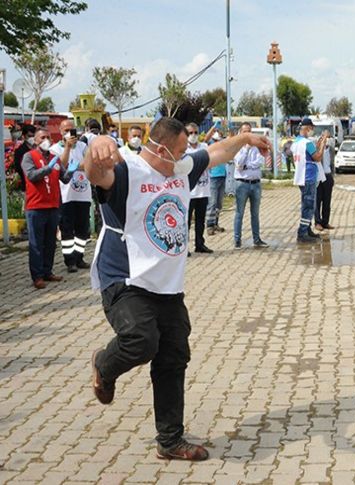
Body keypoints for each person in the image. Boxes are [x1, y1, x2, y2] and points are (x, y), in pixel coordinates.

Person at [83, 117, 272, 461]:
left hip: (167, 287)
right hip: (126, 279)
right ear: (160, 148)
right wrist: (94, 152)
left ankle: (170, 441)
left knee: (173, 357)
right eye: (182, 149)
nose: (188, 156)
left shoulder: (180, 167)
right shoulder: (129, 171)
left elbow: (215, 153)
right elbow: (97, 175)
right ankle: (104, 365)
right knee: (141, 339)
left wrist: (245, 138)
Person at [21, 128, 69, 289]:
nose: (46, 140)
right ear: (35, 141)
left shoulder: (55, 158)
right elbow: (32, 176)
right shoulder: (29, 157)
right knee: (36, 243)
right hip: (36, 206)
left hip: (53, 205)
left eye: (48, 137)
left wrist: (72, 171)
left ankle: (47, 271)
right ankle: (37, 276)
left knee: (50, 242)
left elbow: (64, 178)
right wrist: (48, 168)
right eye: (42, 138)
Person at [50, 119, 92, 272]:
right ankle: (70, 261)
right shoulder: (55, 149)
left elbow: (89, 163)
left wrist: (73, 167)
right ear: (60, 132)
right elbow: (61, 165)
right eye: (65, 130)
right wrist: (67, 148)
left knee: (82, 229)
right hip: (66, 194)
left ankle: (79, 257)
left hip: (83, 195)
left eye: (71, 129)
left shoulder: (82, 146)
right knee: (67, 229)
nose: (69, 132)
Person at [292, 118, 329, 243]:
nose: (312, 131)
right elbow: (317, 158)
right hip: (308, 177)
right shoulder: (307, 143)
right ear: (307, 128)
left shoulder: (296, 143)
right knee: (308, 206)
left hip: (301, 177)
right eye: (312, 128)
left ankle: (307, 230)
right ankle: (302, 233)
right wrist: (323, 143)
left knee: (305, 205)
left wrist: (317, 146)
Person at [232, 123, 267, 249]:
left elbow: (260, 162)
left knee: (255, 213)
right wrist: (246, 149)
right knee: (239, 213)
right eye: (245, 131)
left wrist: (249, 165)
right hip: (242, 184)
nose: (248, 134)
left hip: (256, 184)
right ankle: (237, 240)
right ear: (240, 133)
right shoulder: (237, 147)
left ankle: (256, 239)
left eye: (249, 131)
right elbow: (239, 164)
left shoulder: (256, 147)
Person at [185, 123, 212, 254]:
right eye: (190, 133)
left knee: (201, 220)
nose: (193, 135)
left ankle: (200, 244)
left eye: (195, 132)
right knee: (186, 221)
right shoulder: (184, 149)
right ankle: (184, 247)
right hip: (189, 192)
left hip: (203, 190)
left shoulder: (204, 147)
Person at [315, 139, 335, 231]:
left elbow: (332, 163)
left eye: (327, 139)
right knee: (317, 200)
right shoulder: (317, 150)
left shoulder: (330, 149)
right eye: (324, 139)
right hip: (319, 177)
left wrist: (332, 176)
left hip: (328, 175)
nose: (326, 141)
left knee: (327, 201)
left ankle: (325, 222)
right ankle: (317, 222)